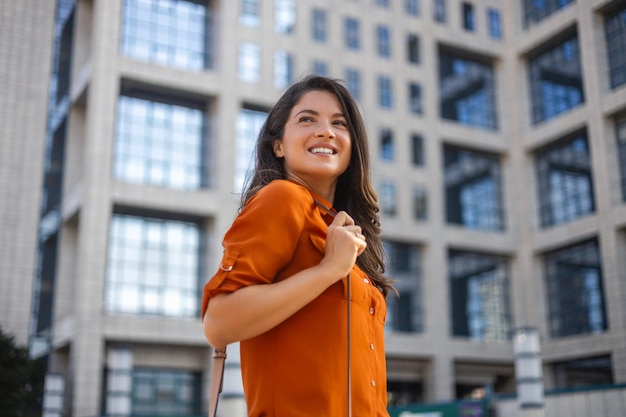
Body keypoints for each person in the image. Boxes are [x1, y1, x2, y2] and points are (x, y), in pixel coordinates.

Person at [202, 75, 395, 416]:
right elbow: (219, 322)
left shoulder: (340, 229)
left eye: (340, 123)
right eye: (307, 119)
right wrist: (328, 271)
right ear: (278, 145)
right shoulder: (283, 197)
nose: (326, 131)